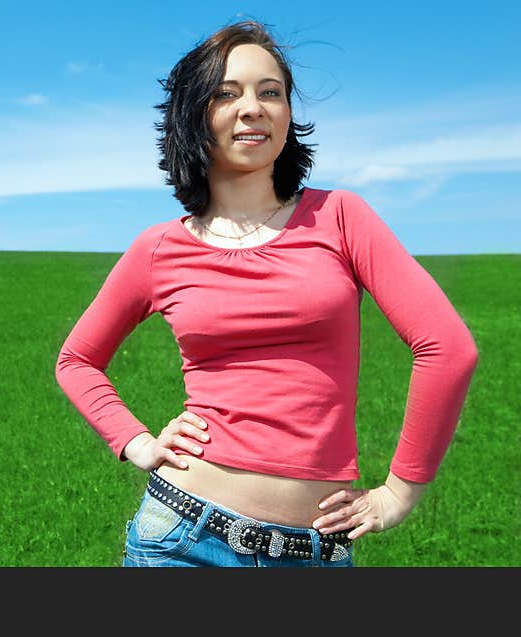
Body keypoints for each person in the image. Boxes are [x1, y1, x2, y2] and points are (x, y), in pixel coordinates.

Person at [54, 19, 478, 567]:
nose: (252, 107)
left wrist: (400, 492)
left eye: (270, 92)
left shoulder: (340, 217)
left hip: (312, 551)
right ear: (193, 118)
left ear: (287, 116)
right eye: (225, 94)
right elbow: (77, 360)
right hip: (180, 538)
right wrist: (135, 441)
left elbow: (448, 348)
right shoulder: (157, 249)